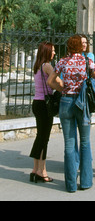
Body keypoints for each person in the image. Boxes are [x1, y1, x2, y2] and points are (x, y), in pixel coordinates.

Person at [47, 34, 95, 192]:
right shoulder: (87, 61)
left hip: (65, 102)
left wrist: (63, 89)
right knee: (85, 143)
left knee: (69, 145)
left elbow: (50, 81)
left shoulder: (62, 61)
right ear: (80, 46)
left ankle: (70, 185)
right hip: (82, 103)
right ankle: (86, 182)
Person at [29, 41, 61, 183]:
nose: (54, 53)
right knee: (44, 138)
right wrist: (61, 88)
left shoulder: (37, 66)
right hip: (45, 105)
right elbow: (58, 81)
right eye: (52, 50)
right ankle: (42, 171)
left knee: (40, 136)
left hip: (37, 102)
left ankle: (36, 170)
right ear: (47, 52)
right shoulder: (47, 66)